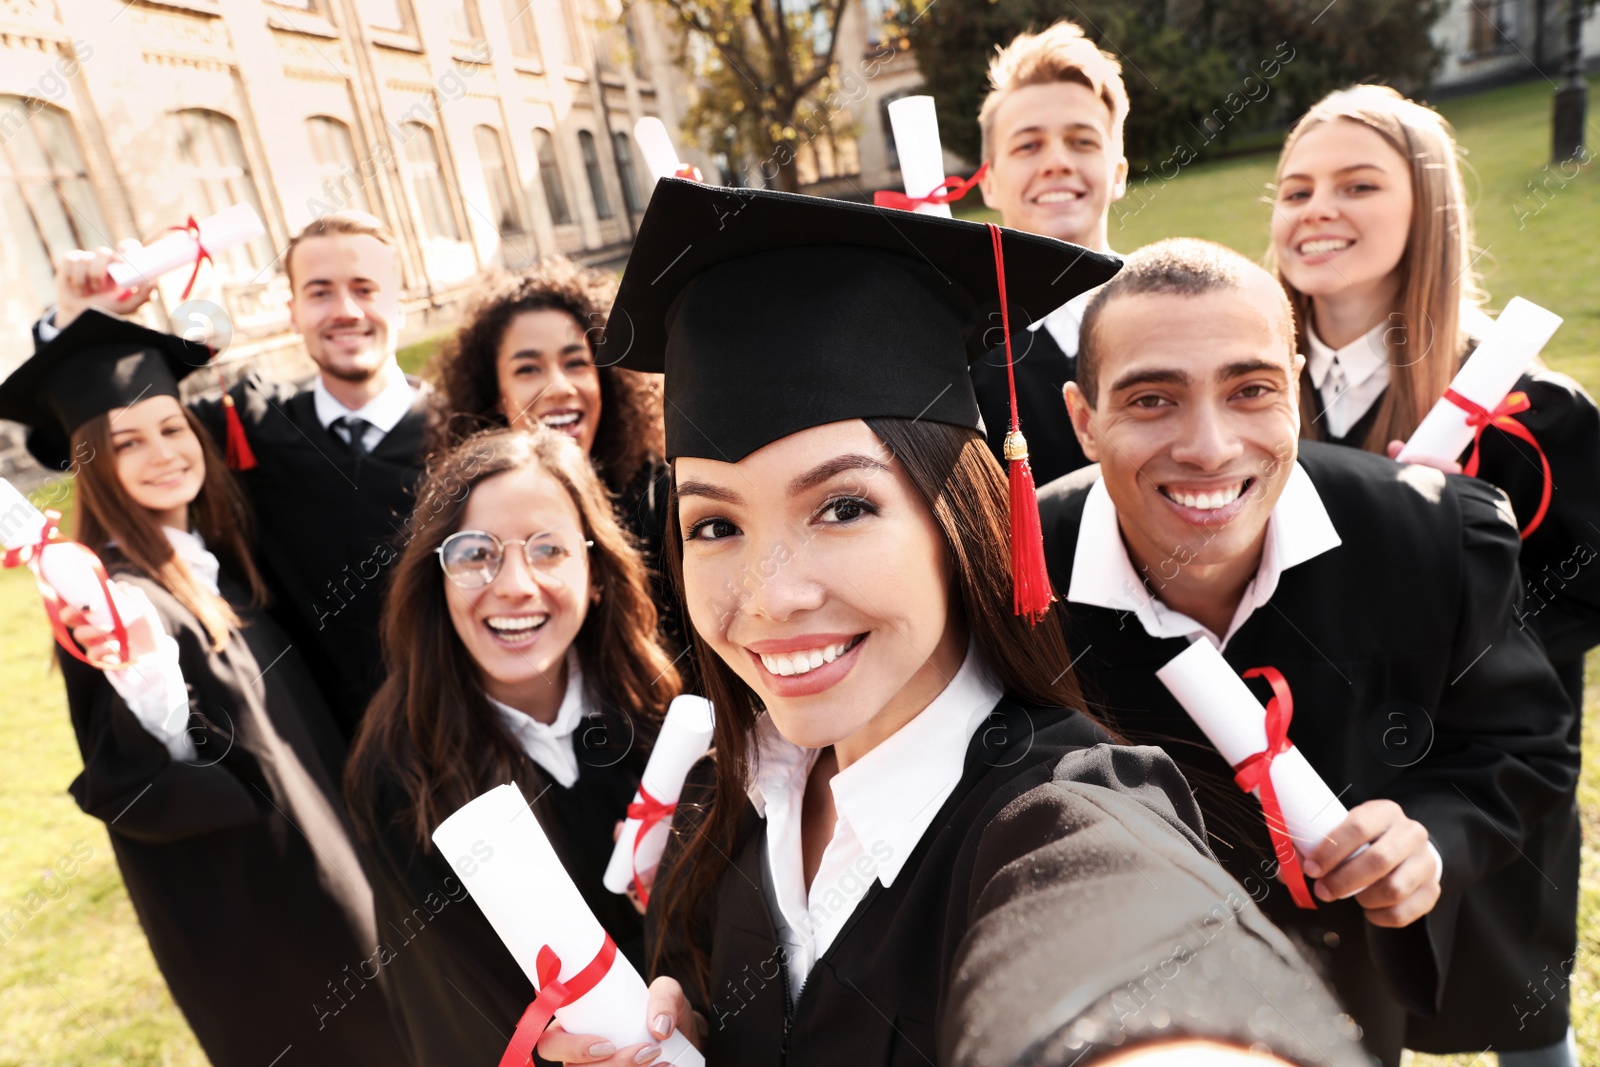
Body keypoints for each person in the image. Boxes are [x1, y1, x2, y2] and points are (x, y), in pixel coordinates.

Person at [532, 179, 1366, 1067]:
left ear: (959, 521)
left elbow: (1125, 956)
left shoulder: (1064, 813)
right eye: (716, 525)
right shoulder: (729, 795)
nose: (771, 597)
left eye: (843, 507)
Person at [1041, 237, 1579, 1066]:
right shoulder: (1017, 575)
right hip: (1121, 1006)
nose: (1210, 447)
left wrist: (1426, 838)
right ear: (1083, 419)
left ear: (1294, 385)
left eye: (1251, 388)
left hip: (1351, 993)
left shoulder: (1431, 533)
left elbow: (1520, 747)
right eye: (1152, 399)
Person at [1269, 85, 1600, 1065]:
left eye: (1357, 184)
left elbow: (1577, 595)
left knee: (1517, 1025)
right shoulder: (1251, 401)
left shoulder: (1529, 416)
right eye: (1294, 190)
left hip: (1481, 788)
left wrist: (1447, 582)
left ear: (1427, 208)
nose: (1316, 207)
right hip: (1320, 797)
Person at [0, 311, 407, 1064]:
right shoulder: (127, 605)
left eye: (171, 427)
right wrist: (144, 671)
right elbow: (157, 775)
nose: (162, 453)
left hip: (345, 870)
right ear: (92, 465)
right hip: (294, 927)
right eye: (126, 442)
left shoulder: (214, 565)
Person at [344, 426, 681, 1065]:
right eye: (476, 553)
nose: (515, 585)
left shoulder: (659, 709)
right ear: (437, 578)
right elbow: (460, 992)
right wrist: (543, 1046)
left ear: (598, 570)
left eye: (549, 548)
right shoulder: (401, 775)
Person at [38, 212, 433, 736]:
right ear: (291, 311)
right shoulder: (246, 425)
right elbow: (96, 433)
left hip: (462, 736)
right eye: (320, 293)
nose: (346, 310)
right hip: (321, 750)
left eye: (365, 287)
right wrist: (75, 320)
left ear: (400, 304)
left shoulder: (467, 436)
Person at [426, 261, 683, 659]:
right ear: (495, 392)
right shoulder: (462, 518)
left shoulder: (664, 502)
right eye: (528, 369)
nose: (558, 387)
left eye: (576, 363)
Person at [969, 20, 1129, 484]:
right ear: (990, 181)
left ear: (1117, 173)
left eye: (1082, 141)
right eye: (1028, 144)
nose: (1057, 162)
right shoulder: (963, 352)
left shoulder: (1176, 310)